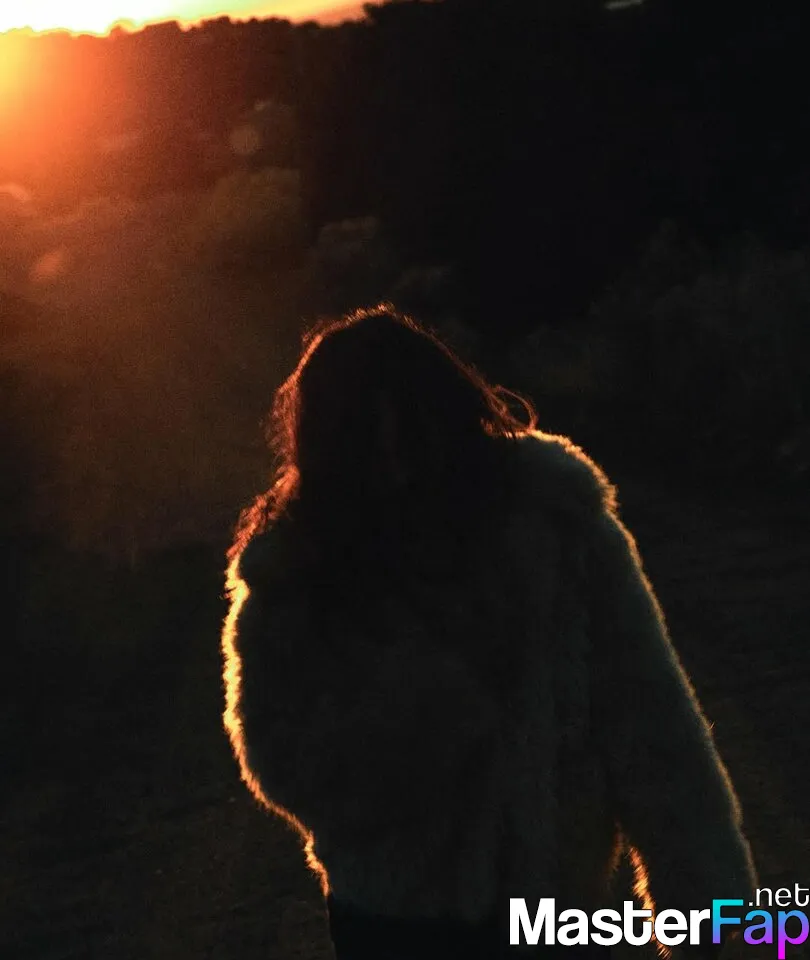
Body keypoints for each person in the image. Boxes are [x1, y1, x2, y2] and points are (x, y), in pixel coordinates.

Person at [221, 305, 757, 959]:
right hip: (394, 919)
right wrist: (427, 724)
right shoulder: (297, 568)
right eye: (368, 439)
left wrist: (710, 907)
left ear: (444, 412)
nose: (396, 461)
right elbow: (275, 749)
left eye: (410, 430)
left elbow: (650, 718)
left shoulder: (553, 523)